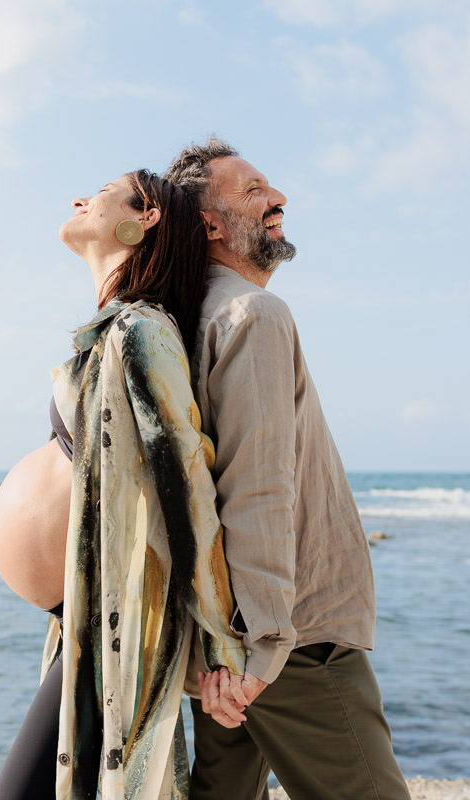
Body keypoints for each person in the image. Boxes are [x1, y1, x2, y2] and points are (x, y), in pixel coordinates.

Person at [0, 168, 246, 799]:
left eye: (101, 189)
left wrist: (223, 646)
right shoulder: (120, 329)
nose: (80, 197)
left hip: (117, 623)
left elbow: (187, 495)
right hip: (86, 617)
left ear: (145, 216)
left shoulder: (143, 331)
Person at [165, 138, 411, 800]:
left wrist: (225, 649)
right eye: (253, 190)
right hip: (293, 644)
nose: (277, 199)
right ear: (209, 223)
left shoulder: (184, 322)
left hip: (230, 636)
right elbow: (258, 488)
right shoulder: (252, 315)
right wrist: (265, 649)